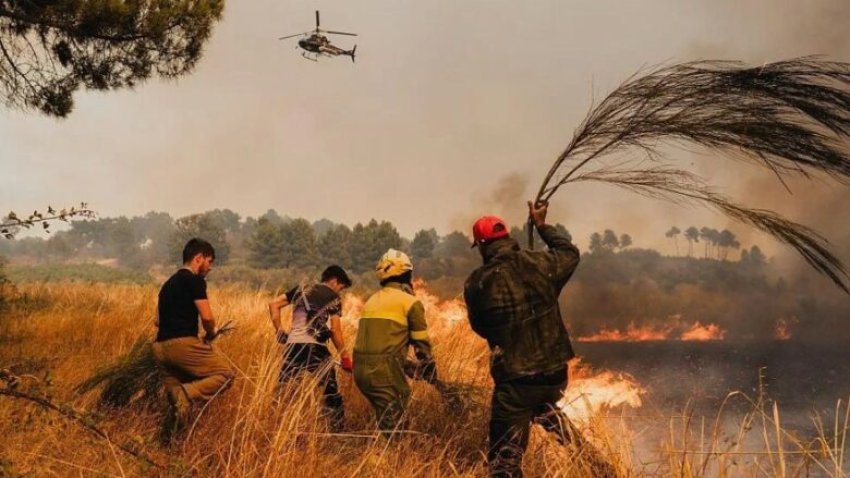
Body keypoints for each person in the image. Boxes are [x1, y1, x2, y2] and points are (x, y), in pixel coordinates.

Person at [463, 201, 614, 478]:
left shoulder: (477, 283)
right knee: (544, 409)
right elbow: (569, 252)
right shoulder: (541, 263)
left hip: (517, 380)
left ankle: (596, 467)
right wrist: (543, 226)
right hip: (555, 375)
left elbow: (480, 328)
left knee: (504, 461)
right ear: (507, 237)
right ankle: (600, 469)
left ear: (482, 246)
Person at [152, 238, 235, 442]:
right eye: (210, 261)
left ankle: (170, 444)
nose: (210, 267)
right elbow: (207, 317)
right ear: (198, 258)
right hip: (181, 345)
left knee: (180, 409)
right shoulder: (195, 280)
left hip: (160, 349)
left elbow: (157, 320)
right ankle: (186, 392)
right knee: (226, 374)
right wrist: (211, 332)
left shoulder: (167, 284)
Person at [353, 249, 437, 431]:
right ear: (407, 274)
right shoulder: (409, 302)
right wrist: (429, 367)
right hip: (384, 373)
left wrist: (404, 364)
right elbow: (421, 344)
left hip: (359, 372)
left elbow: (378, 345)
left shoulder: (371, 301)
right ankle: (385, 457)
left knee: (386, 416)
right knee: (394, 426)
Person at [268, 265, 353, 430]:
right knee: (330, 389)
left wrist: (279, 331)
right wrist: (344, 357)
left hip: (292, 346)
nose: (340, 291)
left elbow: (273, 304)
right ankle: (336, 429)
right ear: (334, 280)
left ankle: (276, 425)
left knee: (284, 390)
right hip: (315, 348)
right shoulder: (333, 297)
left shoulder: (303, 289)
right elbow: (336, 330)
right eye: (341, 286)